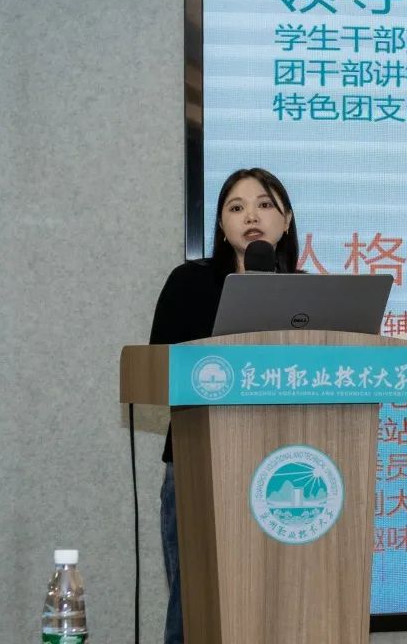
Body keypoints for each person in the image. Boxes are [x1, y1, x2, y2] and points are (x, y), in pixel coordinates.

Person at [149, 167, 300, 644]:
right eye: (236, 207)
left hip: (290, 465)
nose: (251, 216)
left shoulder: (310, 295)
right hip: (202, 464)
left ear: (286, 221)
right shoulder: (189, 283)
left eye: (264, 205)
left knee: (283, 605)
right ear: (221, 225)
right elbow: (159, 368)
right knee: (197, 609)